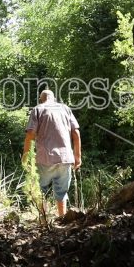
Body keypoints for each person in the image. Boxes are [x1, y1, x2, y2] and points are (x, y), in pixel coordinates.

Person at [22, 89, 81, 217]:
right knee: (61, 193)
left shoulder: (37, 109)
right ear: (54, 98)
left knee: (39, 190)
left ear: (40, 99)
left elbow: (30, 134)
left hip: (45, 158)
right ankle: (62, 219)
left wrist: (26, 156)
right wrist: (77, 157)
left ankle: (43, 221)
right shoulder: (65, 109)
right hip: (65, 158)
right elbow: (76, 133)